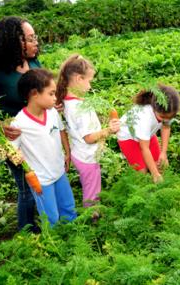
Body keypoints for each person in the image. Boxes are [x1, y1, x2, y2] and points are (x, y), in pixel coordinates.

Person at [0, 16, 41, 232]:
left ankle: (41, 222)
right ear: (14, 41)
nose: (35, 42)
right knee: (27, 187)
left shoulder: (33, 62)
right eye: (30, 39)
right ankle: (27, 233)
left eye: (35, 37)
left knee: (41, 178)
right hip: (12, 140)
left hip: (37, 134)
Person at [10, 69, 77, 227]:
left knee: (68, 208)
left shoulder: (52, 112)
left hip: (59, 172)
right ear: (34, 94)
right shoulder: (19, 123)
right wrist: (16, 155)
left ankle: (74, 236)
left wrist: (67, 153)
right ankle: (55, 245)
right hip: (41, 180)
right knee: (51, 217)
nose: (55, 98)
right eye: (51, 94)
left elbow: (60, 130)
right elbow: (12, 150)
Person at [56, 54, 120, 207]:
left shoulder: (69, 100)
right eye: (89, 81)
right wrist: (109, 130)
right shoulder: (79, 107)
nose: (90, 86)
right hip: (87, 157)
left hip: (80, 152)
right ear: (79, 79)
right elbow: (89, 138)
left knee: (92, 188)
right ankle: (92, 221)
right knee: (92, 195)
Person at [117, 84, 180, 183]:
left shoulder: (167, 110)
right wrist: (155, 174)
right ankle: (140, 191)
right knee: (142, 172)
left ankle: (158, 187)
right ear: (154, 108)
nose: (165, 120)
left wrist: (163, 153)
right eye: (162, 117)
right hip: (128, 137)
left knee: (161, 165)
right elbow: (144, 148)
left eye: (169, 118)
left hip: (147, 135)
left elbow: (166, 127)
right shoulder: (145, 116)